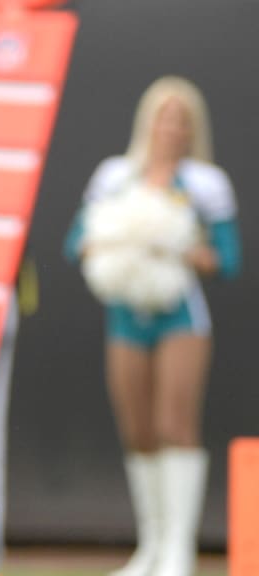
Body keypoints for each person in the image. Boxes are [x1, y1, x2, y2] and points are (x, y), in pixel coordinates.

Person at [63, 75, 240, 576]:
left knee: (175, 425)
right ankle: (152, 546)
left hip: (181, 317)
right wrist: (109, 244)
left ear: (192, 129)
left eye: (182, 120)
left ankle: (179, 551)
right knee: (138, 429)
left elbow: (227, 259)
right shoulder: (115, 177)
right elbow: (77, 239)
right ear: (148, 122)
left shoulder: (206, 184)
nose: (172, 128)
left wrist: (181, 249)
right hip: (125, 313)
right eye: (164, 117)